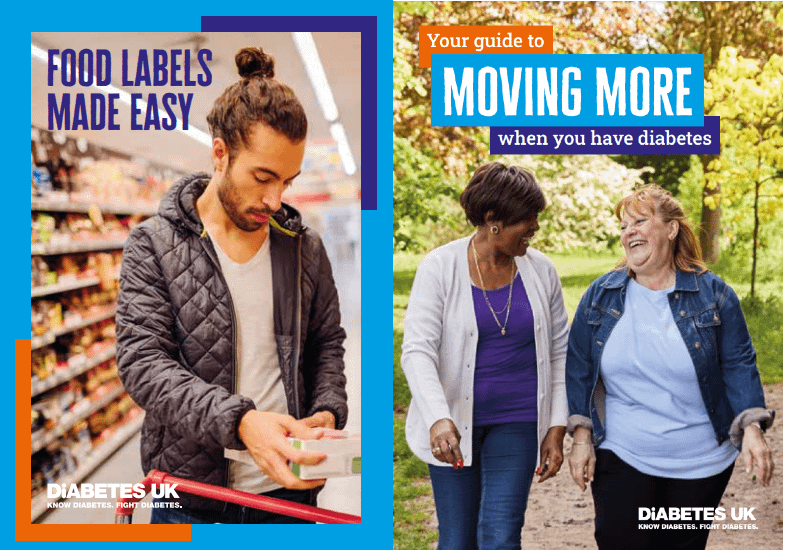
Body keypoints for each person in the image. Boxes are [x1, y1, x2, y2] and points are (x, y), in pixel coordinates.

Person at [115, 47, 348, 524]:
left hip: (288, 496)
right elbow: (142, 363)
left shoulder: (304, 248)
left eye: (287, 180)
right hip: (189, 500)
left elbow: (326, 344)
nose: (275, 198)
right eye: (262, 177)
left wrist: (327, 410)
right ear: (219, 153)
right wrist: (240, 422)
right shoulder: (153, 245)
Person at [566, 184, 774, 550]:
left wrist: (752, 428)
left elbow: (738, 363)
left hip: (701, 460)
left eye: (639, 222)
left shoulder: (715, 295)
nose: (628, 232)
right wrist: (582, 437)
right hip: (623, 449)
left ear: (671, 229)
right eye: (623, 226)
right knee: (618, 539)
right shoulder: (600, 296)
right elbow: (579, 368)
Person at [401, 162, 569, 550]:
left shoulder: (541, 271)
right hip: (453, 425)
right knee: (458, 541)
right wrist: (438, 418)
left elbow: (560, 352)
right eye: (528, 219)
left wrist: (556, 426)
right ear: (494, 221)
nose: (535, 228)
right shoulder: (440, 267)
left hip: (519, 420)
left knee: (500, 537)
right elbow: (417, 350)